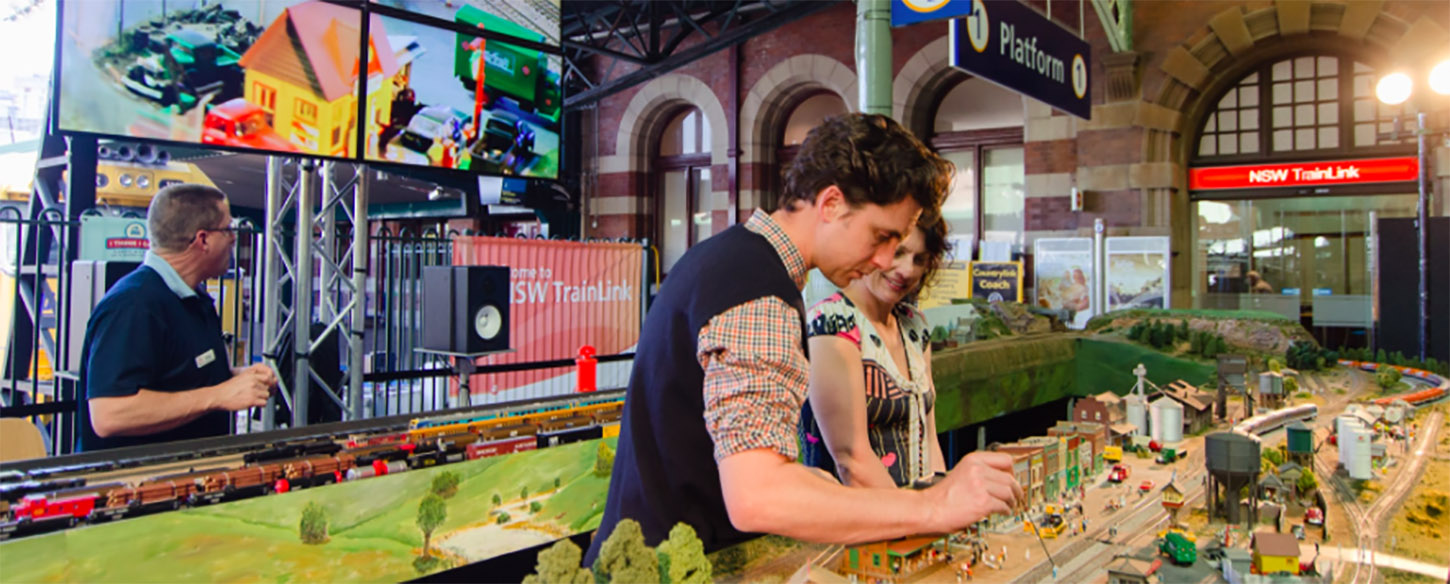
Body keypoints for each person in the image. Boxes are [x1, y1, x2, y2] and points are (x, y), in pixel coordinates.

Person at [584, 113, 1023, 564]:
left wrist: (823, 487)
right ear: (831, 204)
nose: (885, 260)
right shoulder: (758, 292)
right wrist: (934, 505)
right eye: (881, 236)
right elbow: (759, 495)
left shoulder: (727, 259)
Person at [77, 184, 276, 451]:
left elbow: (177, 379)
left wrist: (236, 380)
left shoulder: (193, 298)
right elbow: (109, 414)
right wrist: (218, 395)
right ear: (202, 239)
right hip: (135, 485)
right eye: (228, 229)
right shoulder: (134, 305)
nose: (233, 239)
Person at [799, 214, 950, 488]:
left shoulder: (914, 323)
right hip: (856, 520)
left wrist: (941, 504)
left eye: (919, 259)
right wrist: (918, 516)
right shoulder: (831, 321)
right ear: (871, 250)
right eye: (898, 253)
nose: (907, 270)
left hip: (918, 518)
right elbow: (850, 461)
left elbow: (930, 439)